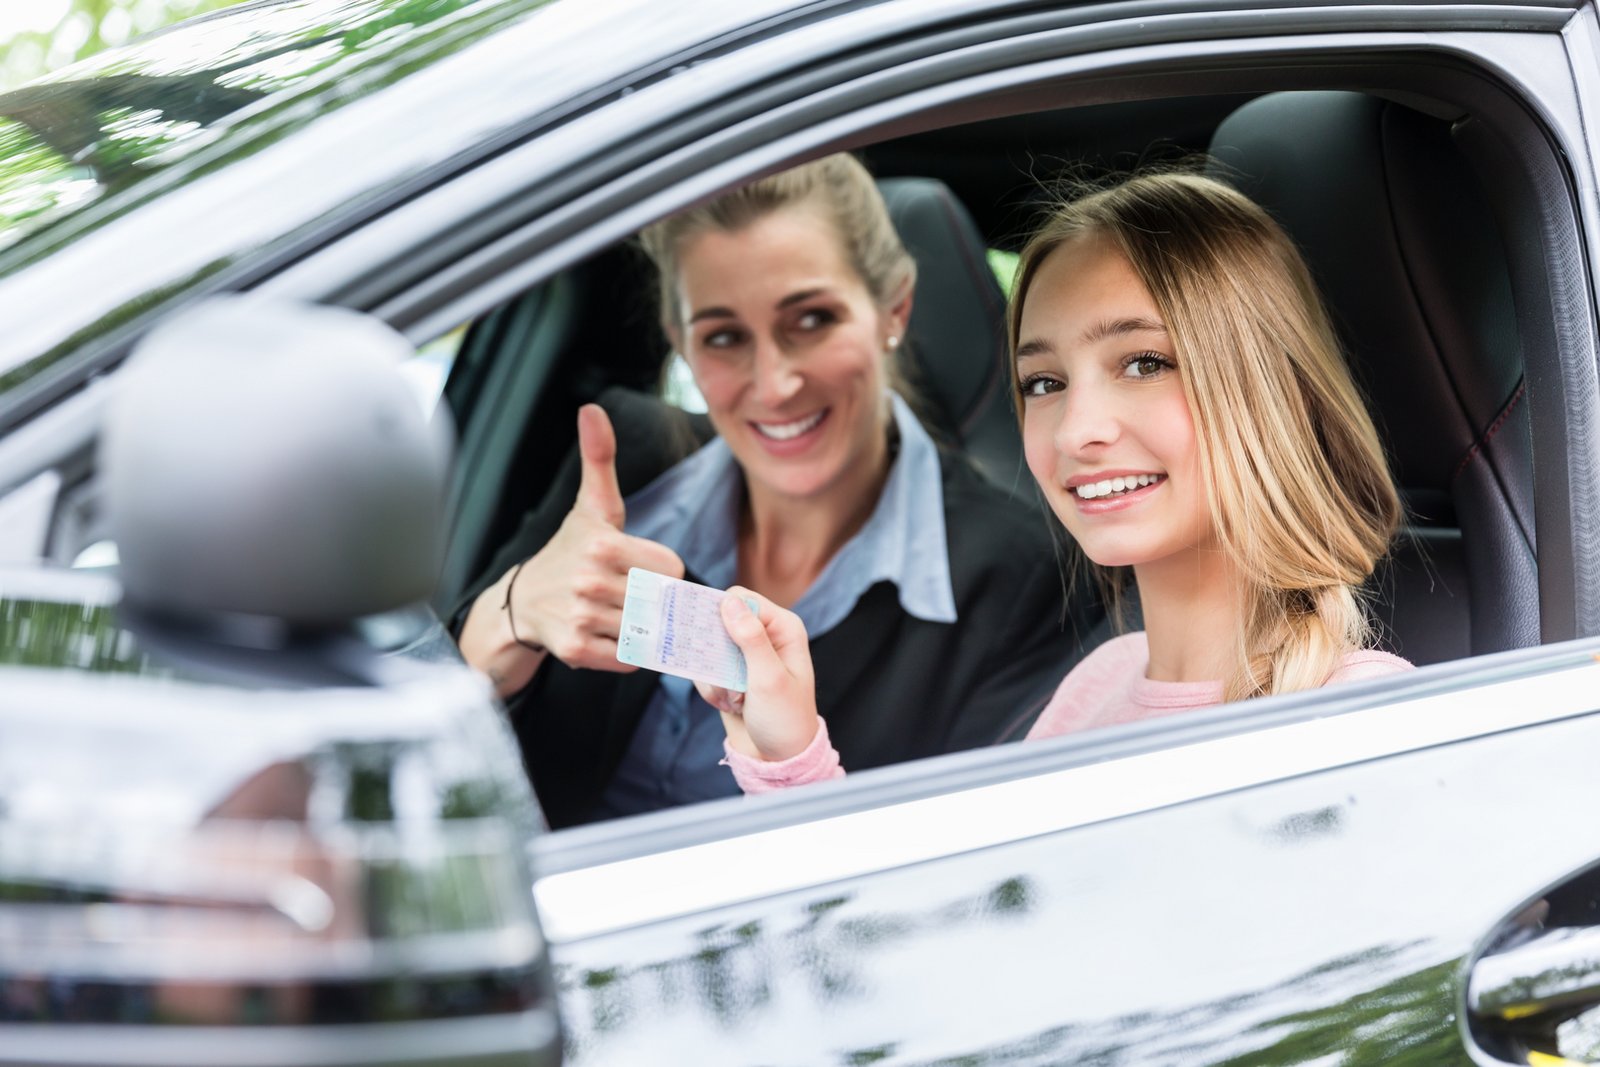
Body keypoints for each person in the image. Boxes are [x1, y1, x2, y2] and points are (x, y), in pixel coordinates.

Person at [700, 171, 1414, 792]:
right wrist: (789, 749)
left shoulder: (1359, 721)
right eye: (1043, 381)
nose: (1075, 431)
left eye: (1143, 363)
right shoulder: (1102, 679)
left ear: (1266, 387)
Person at [454, 154, 1089, 827]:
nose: (775, 382)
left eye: (811, 319)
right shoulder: (626, 466)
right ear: (681, 344)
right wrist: (511, 614)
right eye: (724, 337)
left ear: (892, 310)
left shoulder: (1020, 579)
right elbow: (425, 735)